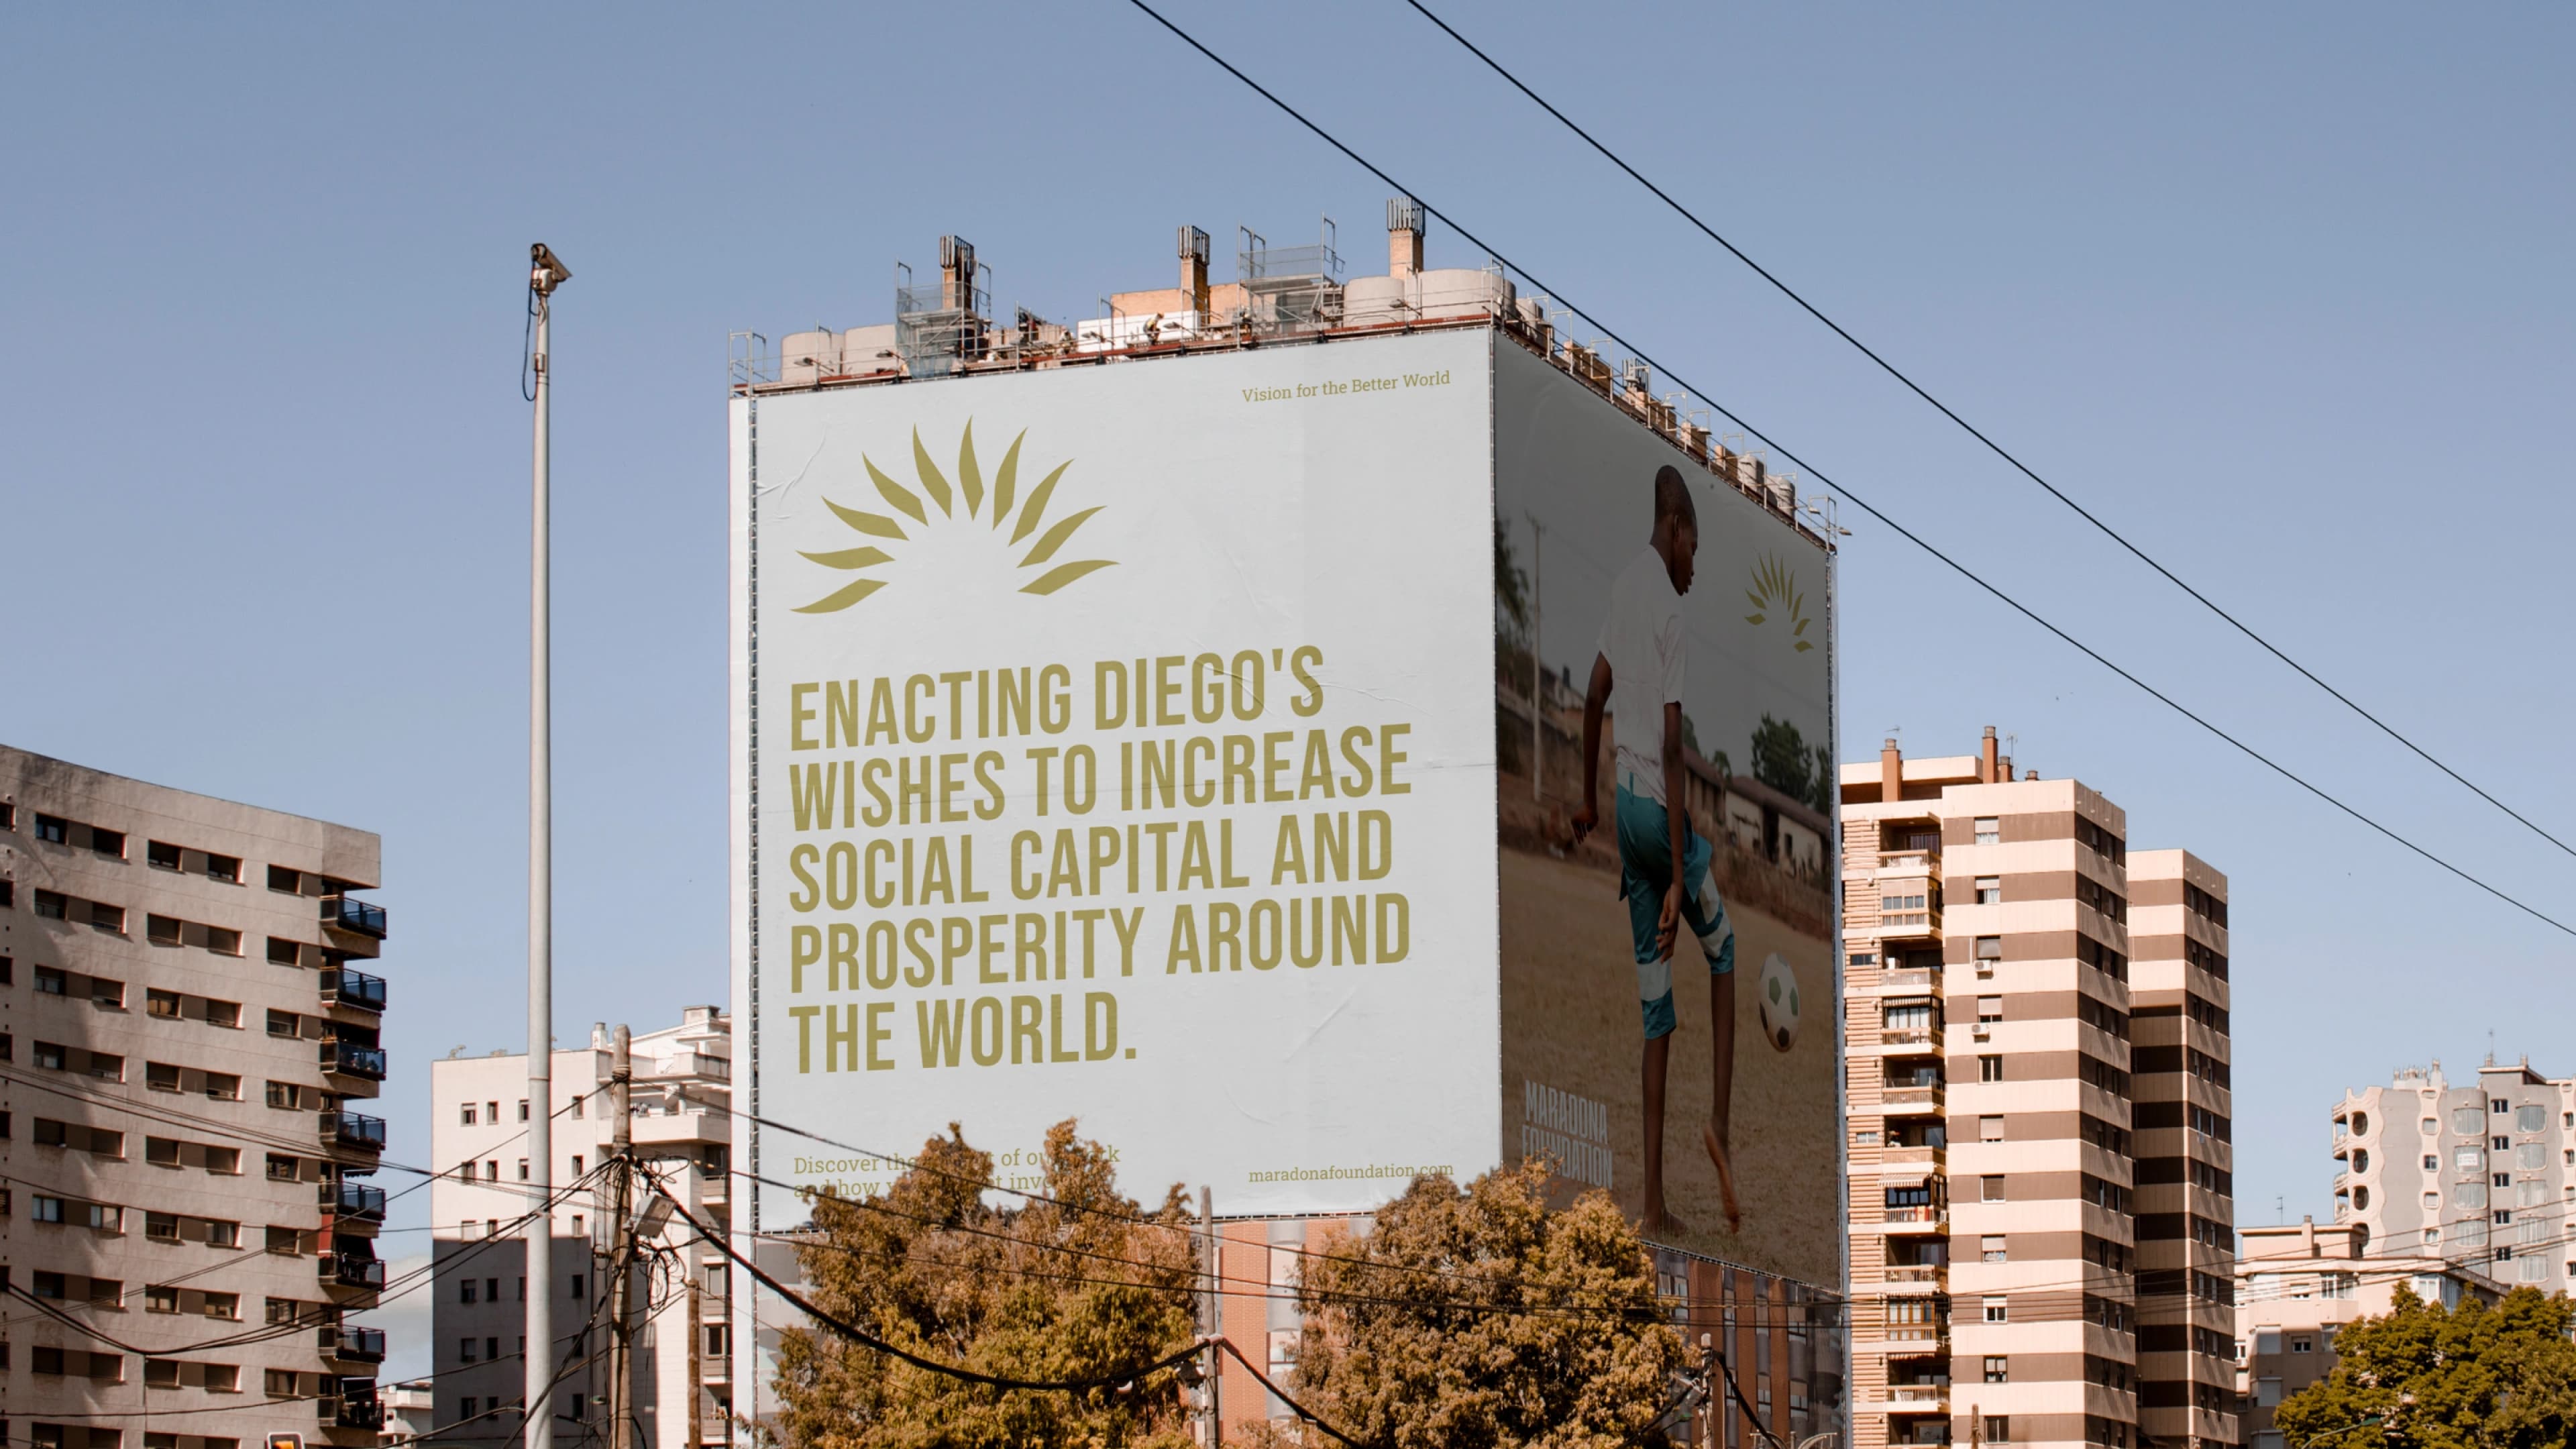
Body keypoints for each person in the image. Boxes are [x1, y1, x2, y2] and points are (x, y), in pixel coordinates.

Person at [1570, 464, 1740, 1236]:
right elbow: (1672, 746)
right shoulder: (1670, 611)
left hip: (1622, 814)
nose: (1694, 566)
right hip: (1660, 824)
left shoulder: (1621, 589)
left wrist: (1586, 801)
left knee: (1656, 1013)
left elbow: (1593, 696)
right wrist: (1679, 873)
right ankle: (1721, 1128)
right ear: (1674, 530)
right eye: (1694, 548)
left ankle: (1651, 1205)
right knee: (1725, 949)